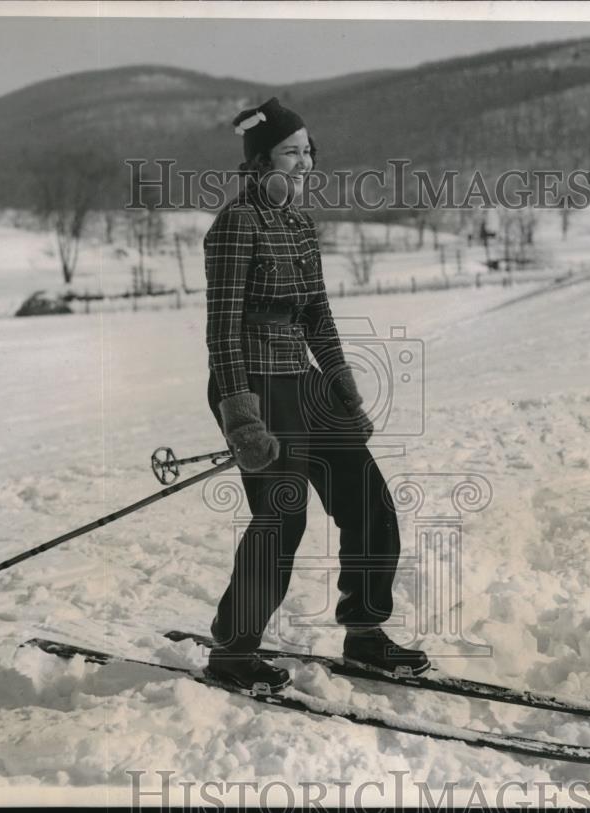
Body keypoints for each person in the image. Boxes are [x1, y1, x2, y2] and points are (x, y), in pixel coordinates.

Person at [202, 97, 429, 693]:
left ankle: (365, 633)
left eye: (307, 152)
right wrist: (242, 417)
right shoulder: (235, 225)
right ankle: (233, 650)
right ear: (259, 161)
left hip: (303, 381)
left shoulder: (300, 222)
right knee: (282, 517)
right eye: (289, 153)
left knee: (369, 502)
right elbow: (221, 330)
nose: (303, 164)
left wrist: (342, 386)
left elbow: (319, 315)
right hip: (252, 384)